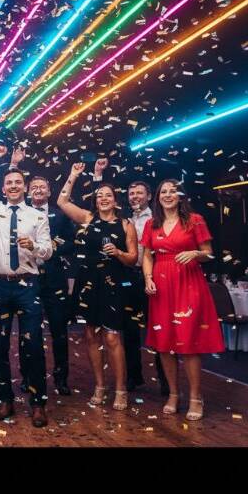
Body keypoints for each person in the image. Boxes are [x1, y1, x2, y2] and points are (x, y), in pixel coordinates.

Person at [0, 145, 53, 427]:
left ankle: (38, 403)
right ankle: (5, 399)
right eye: (9, 183)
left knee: (33, 345)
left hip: (28, 285)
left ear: (25, 187)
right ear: (4, 188)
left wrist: (35, 247)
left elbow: (48, 250)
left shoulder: (38, 216)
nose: (14, 186)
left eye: (18, 182)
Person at [58, 162, 138, 412]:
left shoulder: (126, 224)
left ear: (115, 201)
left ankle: (121, 389)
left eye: (108, 195)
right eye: (100, 195)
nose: (103, 198)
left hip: (113, 284)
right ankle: (100, 386)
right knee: (91, 335)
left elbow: (133, 258)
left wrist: (119, 253)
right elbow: (62, 201)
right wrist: (73, 174)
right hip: (88, 283)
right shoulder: (87, 218)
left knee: (112, 337)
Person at [142, 179, 224, 420]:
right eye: (163, 192)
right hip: (161, 286)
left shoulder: (195, 220)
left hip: (189, 283)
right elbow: (147, 255)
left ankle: (196, 397)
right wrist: (148, 278)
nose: (168, 195)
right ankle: (173, 394)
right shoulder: (151, 223)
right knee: (164, 343)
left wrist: (196, 253)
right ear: (158, 197)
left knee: (188, 342)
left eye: (172, 191)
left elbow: (209, 253)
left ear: (180, 196)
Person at [93, 158, 169, 395]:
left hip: (152, 277)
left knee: (157, 327)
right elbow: (98, 203)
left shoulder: (158, 219)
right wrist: (97, 174)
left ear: (149, 196)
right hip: (126, 276)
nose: (135, 196)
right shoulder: (123, 218)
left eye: (139, 193)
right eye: (131, 193)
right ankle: (134, 378)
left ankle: (166, 382)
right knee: (129, 328)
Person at [15, 148, 76, 396]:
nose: (38, 190)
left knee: (59, 330)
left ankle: (61, 379)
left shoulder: (60, 216)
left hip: (54, 279)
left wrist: (53, 247)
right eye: (34, 187)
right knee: (28, 331)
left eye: (42, 187)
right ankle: (27, 377)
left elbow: (71, 242)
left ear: (50, 192)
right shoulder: (20, 215)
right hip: (28, 279)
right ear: (28, 192)